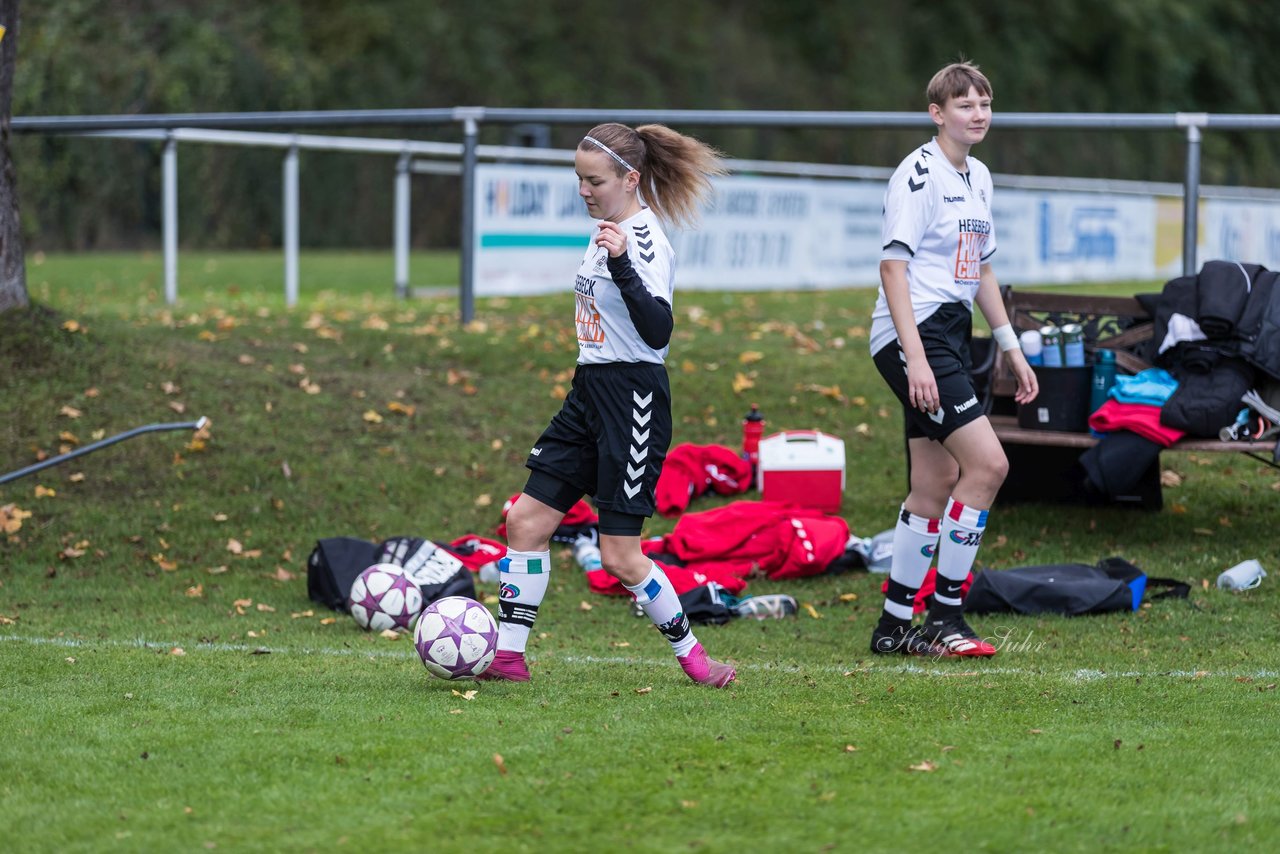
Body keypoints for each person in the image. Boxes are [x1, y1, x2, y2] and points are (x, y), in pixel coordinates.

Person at [482, 122, 736, 687]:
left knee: (621, 556)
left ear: (630, 179)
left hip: (633, 399)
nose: (583, 189)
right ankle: (506, 658)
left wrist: (622, 264)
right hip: (589, 391)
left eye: (593, 180)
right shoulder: (608, 228)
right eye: (578, 178)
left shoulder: (644, 239)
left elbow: (657, 329)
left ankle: (696, 661)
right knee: (524, 522)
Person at [867, 61, 1039, 658]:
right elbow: (893, 267)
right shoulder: (918, 174)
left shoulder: (980, 176)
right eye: (964, 104)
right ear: (937, 114)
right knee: (988, 466)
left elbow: (982, 269)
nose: (978, 113)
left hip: (950, 330)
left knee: (936, 480)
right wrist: (915, 359)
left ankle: (892, 628)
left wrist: (1011, 348)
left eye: (985, 102)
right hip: (913, 333)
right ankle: (945, 614)